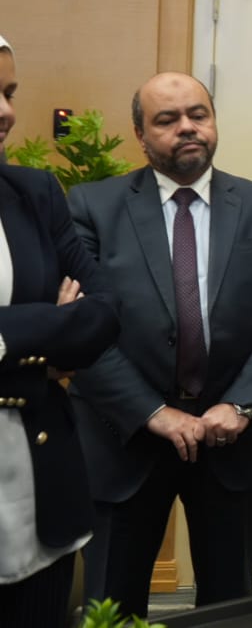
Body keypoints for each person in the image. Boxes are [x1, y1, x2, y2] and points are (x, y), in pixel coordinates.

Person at [68, 72, 252, 620]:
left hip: (233, 439)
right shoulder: (91, 207)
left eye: (198, 114)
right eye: (167, 119)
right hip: (123, 437)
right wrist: (151, 412)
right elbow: (81, 329)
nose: (187, 128)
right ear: (140, 134)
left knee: (228, 606)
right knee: (111, 607)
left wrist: (241, 404)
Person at [0, 34, 119, 628]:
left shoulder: (33, 192)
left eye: (9, 92)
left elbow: (103, 311)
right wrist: (49, 323)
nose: (5, 111)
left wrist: (6, 338)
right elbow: (70, 320)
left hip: (37, 487)